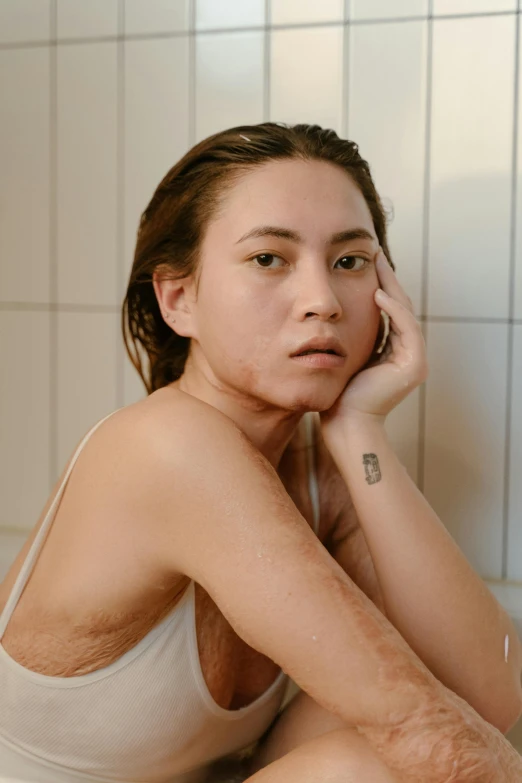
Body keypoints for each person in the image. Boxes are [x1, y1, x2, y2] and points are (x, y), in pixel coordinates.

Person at [0, 122, 521, 783]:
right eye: (268, 259)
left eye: (350, 261)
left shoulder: (317, 469)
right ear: (178, 299)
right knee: (388, 757)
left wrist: (360, 429)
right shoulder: (168, 448)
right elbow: (425, 733)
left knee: (418, 723)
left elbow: (488, 693)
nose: (322, 302)